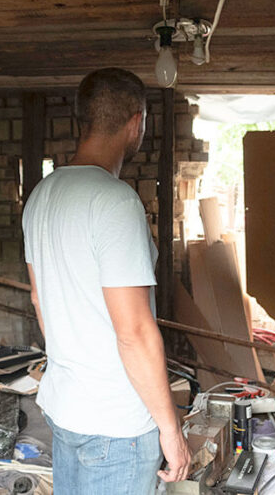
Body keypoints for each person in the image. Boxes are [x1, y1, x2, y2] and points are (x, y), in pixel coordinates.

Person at [22, 68, 190, 494]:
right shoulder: (115, 201)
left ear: (84, 119)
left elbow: (40, 301)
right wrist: (170, 431)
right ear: (136, 122)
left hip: (66, 410)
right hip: (117, 426)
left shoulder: (41, 195)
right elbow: (133, 332)